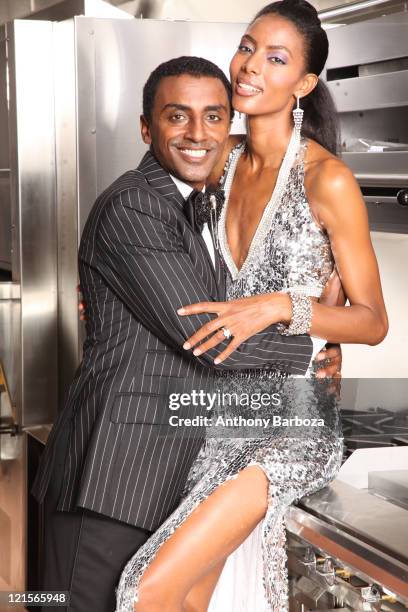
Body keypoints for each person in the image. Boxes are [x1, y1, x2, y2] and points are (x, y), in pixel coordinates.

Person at [31, 55, 340, 612]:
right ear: (147, 128)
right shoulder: (134, 205)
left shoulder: (201, 207)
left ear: (230, 126)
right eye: (178, 117)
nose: (198, 133)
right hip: (112, 477)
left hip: (165, 474)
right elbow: (208, 336)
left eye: (214, 117)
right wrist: (312, 350)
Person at [115, 2, 388, 612]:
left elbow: (373, 320)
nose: (249, 66)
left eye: (276, 58)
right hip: (216, 415)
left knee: (146, 588)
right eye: (246, 47)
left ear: (305, 84)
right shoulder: (219, 160)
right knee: (188, 599)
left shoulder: (328, 180)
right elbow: (150, 225)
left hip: (293, 423)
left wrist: (282, 309)